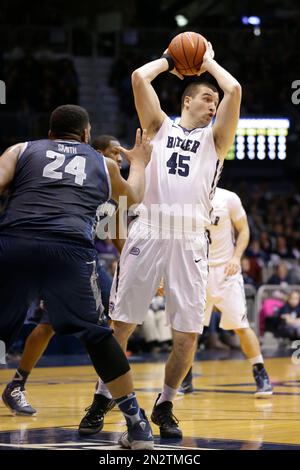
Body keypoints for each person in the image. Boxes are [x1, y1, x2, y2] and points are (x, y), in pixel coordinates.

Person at [89, 39, 242, 439]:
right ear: (187, 100)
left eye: (214, 101)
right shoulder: (159, 126)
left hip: (192, 238)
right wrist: (171, 62)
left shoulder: (216, 140)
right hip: (150, 229)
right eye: (206, 99)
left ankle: (165, 403)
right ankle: (103, 396)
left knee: (188, 335)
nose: (213, 105)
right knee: (120, 325)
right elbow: (139, 76)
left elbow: (235, 90)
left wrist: (208, 60)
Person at [0, 105, 154, 450]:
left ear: (50, 133)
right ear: (86, 135)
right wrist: (141, 161)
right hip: (69, 249)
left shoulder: (21, 149)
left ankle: (18, 382)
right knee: (99, 336)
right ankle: (137, 425)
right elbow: (135, 196)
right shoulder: (104, 163)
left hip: (15, 242)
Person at [1, 133, 123, 418]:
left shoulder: (107, 187)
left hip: (76, 260)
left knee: (102, 317)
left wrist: (133, 266)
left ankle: (106, 386)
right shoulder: (82, 172)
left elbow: (118, 235)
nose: (119, 159)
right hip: (44, 251)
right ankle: (18, 384)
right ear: (97, 153)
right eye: (115, 153)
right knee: (48, 324)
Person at [180, 188, 273, 398]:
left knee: (241, 326)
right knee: (189, 330)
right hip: (197, 270)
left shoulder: (228, 198)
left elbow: (244, 230)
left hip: (226, 270)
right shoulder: (186, 195)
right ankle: (185, 379)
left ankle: (261, 373)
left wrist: (236, 258)